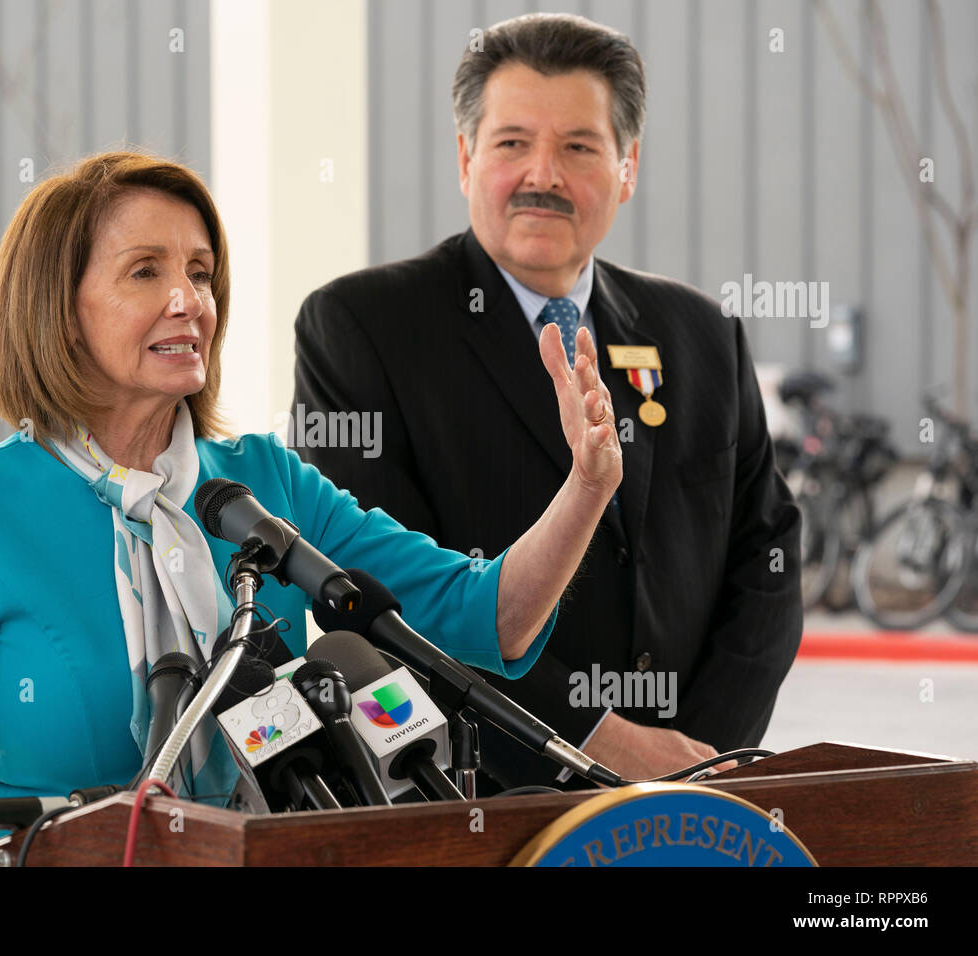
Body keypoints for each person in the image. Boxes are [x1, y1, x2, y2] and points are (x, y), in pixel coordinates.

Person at [0, 150, 622, 866]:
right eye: (145, 272)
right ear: (57, 306)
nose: (188, 301)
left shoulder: (264, 482)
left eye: (201, 272)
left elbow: (490, 616)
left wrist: (585, 487)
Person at [291, 13, 802, 790]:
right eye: (511, 143)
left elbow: (766, 561)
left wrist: (700, 758)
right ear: (466, 159)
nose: (543, 176)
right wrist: (594, 738)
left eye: (579, 146)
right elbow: (378, 597)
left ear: (628, 168)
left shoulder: (700, 333)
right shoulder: (362, 329)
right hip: (486, 796)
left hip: (699, 794)